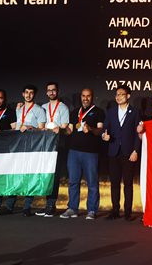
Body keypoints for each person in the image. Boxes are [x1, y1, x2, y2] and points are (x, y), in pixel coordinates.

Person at [60, 88, 105, 220]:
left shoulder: (99, 112)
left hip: (90, 153)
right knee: (73, 181)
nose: (85, 98)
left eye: (88, 96)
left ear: (92, 97)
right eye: (83, 96)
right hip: (74, 152)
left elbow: (100, 130)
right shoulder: (75, 112)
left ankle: (91, 210)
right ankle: (72, 208)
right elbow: (70, 130)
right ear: (81, 97)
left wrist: (90, 129)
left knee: (92, 182)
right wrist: (62, 129)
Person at [1, 84, 46, 216]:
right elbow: (16, 127)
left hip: (32, 147)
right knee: (15, 175)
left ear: (34, 95)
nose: (28, 95)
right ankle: (9, 206)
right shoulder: (19, 109)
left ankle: (27, 207)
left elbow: (42, 130)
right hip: (18, 146)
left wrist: (31, 127)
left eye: (31, 93)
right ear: (23, 94)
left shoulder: (39, 110)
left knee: (29, 176)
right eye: (26, 92)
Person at [102, 85, 141, 221]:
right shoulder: (111, 111)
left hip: (128, 152)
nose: (118, 97)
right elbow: (105, 129)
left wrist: (135, 150)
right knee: (114, 183)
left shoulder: (135, 112)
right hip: (113, 152)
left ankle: (128, 213)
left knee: (128, 184)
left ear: (128, 96)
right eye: (117, 94)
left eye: (121, 94)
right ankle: (115, 211)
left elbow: (138, 134)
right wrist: (104, 136)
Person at [35, 82, 70, 217]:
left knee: (54, 177)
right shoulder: (43, 108)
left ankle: (51, 205)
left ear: (57, 91)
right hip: (44, 146)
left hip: (57, 145)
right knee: (46, 176)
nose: (51, 92)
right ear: (46, 92)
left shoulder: (63, 108)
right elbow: (39, 125)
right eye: (49, 90)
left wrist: (59, 129)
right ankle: (46, 204)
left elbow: (66, 128)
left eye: (53, 90)